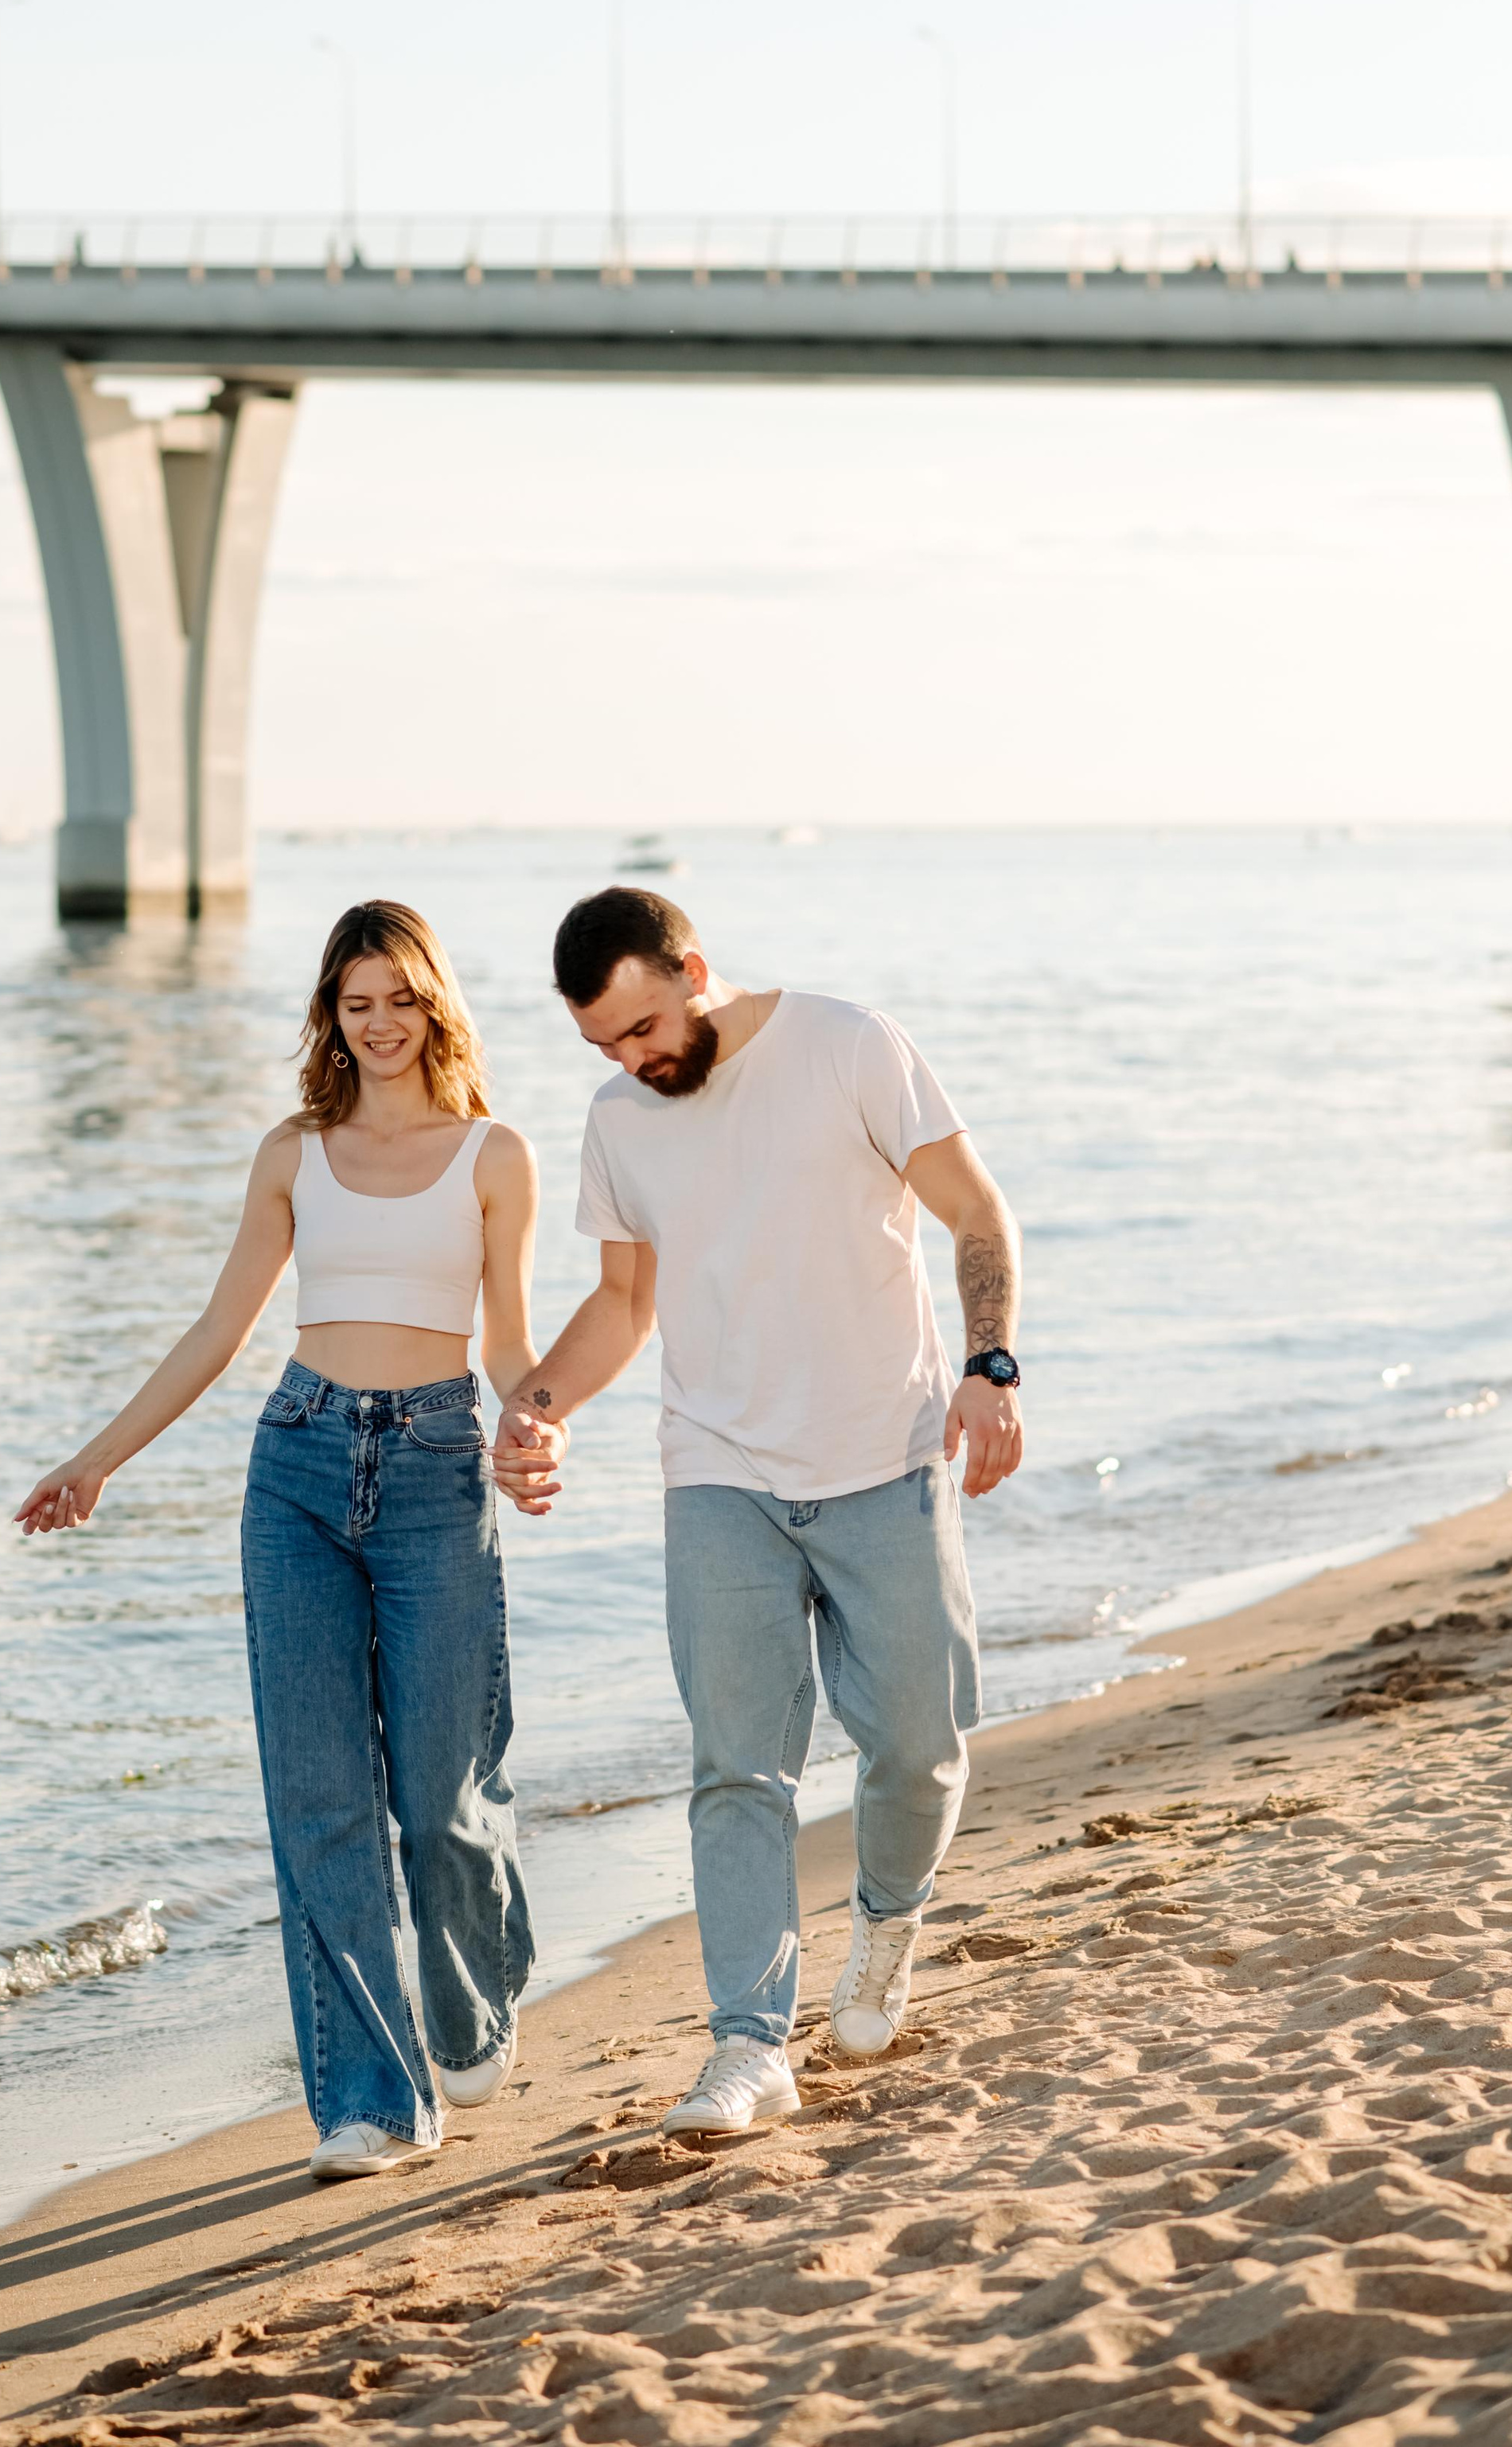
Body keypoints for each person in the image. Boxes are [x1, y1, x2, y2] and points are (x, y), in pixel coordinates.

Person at [16, 901, 539, 2182]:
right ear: (331, 1013)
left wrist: (538, 1428)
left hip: (435, 1464)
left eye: (400, 999)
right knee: (319, 1804)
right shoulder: (292, 1153)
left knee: (443, 1796)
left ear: (434, 1006)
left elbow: (514, 1340)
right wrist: (98, 1458)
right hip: (296, 1467)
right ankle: (372, 2099)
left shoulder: (493, 1154)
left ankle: (474, 1994)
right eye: (356, 1001)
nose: (379, 1023)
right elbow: (216, 1330)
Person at [491, 887, 1023, 2139]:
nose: (631, 1060)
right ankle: (747, 2044)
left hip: (885, 1455)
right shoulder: (621, 1120)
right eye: (604, 1046)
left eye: (642, 1027)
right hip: (717, 1469)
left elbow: (977, 1212)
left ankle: (888, 1919)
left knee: (921, 1741)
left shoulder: (848, 1046)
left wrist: (991, 1365)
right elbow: (627, 1301)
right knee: (738, 1767)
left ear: (695, 969)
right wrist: (539, 1401)